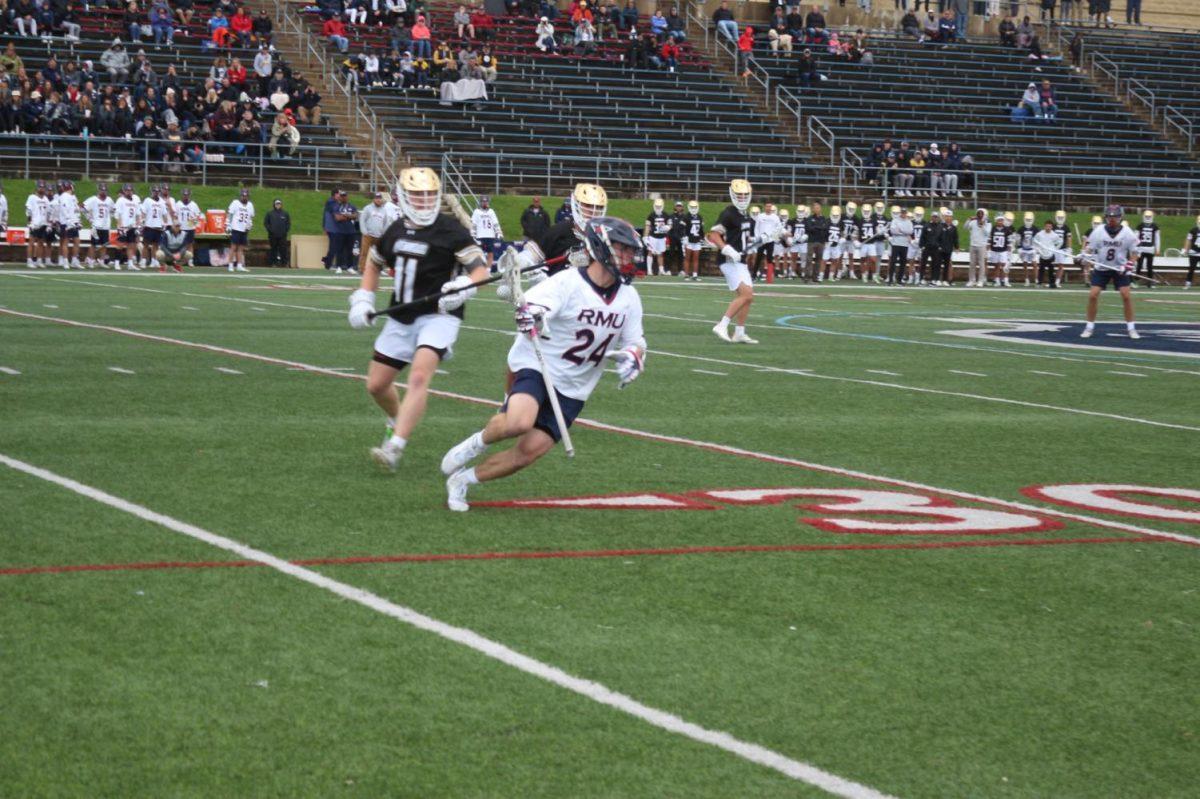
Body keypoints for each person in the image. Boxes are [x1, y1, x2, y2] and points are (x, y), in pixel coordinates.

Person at [441, 216, 646, 511]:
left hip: (576, 386)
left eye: (630, 251)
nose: (628, 257)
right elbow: (532, 306)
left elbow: (636, 341)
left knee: (528, 453)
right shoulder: (568, 282)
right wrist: (533, 316)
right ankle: (476, 443)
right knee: (519, 421)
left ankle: (462, 481)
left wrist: (634, 357)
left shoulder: (629, 298)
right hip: (540, 364)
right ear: (601, 247)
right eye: (622, 249)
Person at [346, 167, 488, 471]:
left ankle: (395, 446)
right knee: (376, 385)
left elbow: (480, 270)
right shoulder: (394, 230)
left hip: (440, 315)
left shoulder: (451, 230)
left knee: (420, 376)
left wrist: (463, 288)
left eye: (429, 195)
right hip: (401, 316)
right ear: (404, 197)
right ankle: (396, 419)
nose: (424, 201)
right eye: (417, 195)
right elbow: (374, 265)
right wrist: (363, 299)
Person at [709, 179, 758, 343]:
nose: (742, 198)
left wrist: (761, 239)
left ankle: (739, 332)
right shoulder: (728, 213)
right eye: (739, 195)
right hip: (729, 260)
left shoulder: (746, 214)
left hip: (741, 261)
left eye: (745, 195)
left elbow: (745, 237)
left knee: (748, 297)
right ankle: (722, 325)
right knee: (746, 294)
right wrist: (726, 249)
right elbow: (714, 235)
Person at [1081, 205, 1139, 339]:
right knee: (1093, 295)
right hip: (1102, 268)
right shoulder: (1099, 231)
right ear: (1106, 217)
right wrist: (1085, 255)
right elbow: (1090, 248)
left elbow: (1135, 252)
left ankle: (1131, 328)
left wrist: (1129, 264)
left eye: (1115, 216)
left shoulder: (1127, 232)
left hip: (1120, 268)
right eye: (1110, 216)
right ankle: (1089, 327)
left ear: (1120, 217)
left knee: (1126, 295)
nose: (1112, 219)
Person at [83, 183, 115, 269]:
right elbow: (83, 207)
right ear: (99, 190)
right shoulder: (93, 199)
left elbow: (113, 210)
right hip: (96, 225)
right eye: (102, 190)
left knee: (104, 244)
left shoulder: (109, 200)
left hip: (105, 226)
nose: (103, 191)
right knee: (93, 244)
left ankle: (102, 261)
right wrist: (89, 219)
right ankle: (90, 260)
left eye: (105, 190)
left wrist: (110, 217)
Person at [138, 184, 168, 271]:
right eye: (155, 191)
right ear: (151, 192)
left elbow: (164, 214)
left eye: (158, 191)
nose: (156, 193)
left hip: (158, 226)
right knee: (146, 245)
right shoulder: (147, 200)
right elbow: (143, 212)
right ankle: (143, 261)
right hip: (149, 225)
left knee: (156, 245)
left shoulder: (161, 201)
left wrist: (165, 223)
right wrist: (142, 220)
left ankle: (154, 261)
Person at [471, 195, 504, 271]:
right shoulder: (476, 211)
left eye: (486, 201)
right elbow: (473, 224)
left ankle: (488, 270)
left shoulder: (491, 211)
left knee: (490, 253)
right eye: (483, 201)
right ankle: (479, 270)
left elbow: (495, 223)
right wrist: (473, 234)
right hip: (480, 235)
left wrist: (499, 232)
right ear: (480, 202)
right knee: (479, 254)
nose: (485, 203)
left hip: (490, 235)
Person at [54, 181, 82, 270]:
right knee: (65, 242)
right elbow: (64, 209)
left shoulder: (72, 197)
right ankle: (65, 261)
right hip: (66, 223)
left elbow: (76, 209)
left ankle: (74, 260)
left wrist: (78, 220)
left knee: (77, 241)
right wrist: (69, 220)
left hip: (73, 222)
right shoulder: (64, 196)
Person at [113, 184, 142, 270]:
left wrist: (138, 226)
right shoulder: (120, 200)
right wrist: (120, 227)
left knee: (131, 245)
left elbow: (137, 215)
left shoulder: (135, 201)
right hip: (124, 227)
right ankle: (117, 263)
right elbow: (118, 214)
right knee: (120, 245)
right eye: (127, 190)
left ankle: (130, 263)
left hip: (132, 226)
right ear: (124, 191)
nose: (129, 192)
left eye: (130, 190)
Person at [226, 188, 254, 273]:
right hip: (236, 228)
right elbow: (230, 214)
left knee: (241, 248)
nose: (244, 197)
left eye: (246, 196)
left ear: (248, 197)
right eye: (243, 196)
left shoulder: (250, 205)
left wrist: (250, 224)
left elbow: (250, 217)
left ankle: (239, 265)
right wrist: (228, 225)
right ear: (240, 196)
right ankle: (230, 264)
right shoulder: (235, 203)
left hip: (244, 229)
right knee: (233, 247)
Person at [24, 181, 51, 269]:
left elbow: (48, 212)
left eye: (43, 187)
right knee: (31, 242)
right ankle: (29, 260)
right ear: (37, 188)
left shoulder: (46, 199)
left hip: (43, 223)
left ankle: (38, 260)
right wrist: (30, 221)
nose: (41, 189)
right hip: (35, 223)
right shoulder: (32, 197)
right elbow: (28, 209)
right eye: (40, 187)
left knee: (41, 242)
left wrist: (48, 223)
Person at [174, 188, 201, 266]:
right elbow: (175, 216)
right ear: (182, 195)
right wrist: (177, 225)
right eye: (184, 194)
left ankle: (190, 260)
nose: (185, 196)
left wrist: (193, 223)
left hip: (190, 227)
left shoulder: (193, 204)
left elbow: (198, 214)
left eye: (187, 194)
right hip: (181, 228)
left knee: (190, 244)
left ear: (189, 195)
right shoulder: (178, 204)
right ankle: (179, 259)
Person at [643, 198, 670, 276]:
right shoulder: (651, 215)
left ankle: (661, 270)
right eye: (657, 206)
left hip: (662, 237)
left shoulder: (665, 215)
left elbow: (670, 225)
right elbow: (647, 226)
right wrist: (645, 236)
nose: (658, 208)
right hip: (653, 237)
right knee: (650, 252)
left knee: (660, 253)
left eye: (659, 206)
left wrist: (668, 227)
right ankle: (649, 270)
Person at [965, 208, 990, 287]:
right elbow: (965, 227)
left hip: (982, 246)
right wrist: (969, 219)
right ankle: (972, 280)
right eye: (978, 214)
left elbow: (987, 233)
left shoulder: (988, 223)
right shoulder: (973, 222)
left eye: (981, 214)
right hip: (973, 245)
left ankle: (980, 281)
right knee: (972, 263)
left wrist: (982, 225)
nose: (979, 215)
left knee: (981, 264)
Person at [1133, 209, 1160, 285]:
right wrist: (1135, 248)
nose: (1148, 218)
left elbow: (1157, 238)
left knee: (1149, 266)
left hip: (1150, 249)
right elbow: (1135, 237)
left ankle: (1150, 282)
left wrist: (1157, 249)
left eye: (1149, 217)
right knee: (1139, 266)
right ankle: (1136, 281)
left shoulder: (1155, 226)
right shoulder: (1140, 226)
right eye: (1146, 216)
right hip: (1141, 249)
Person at [680, 200, 704, 281]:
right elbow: (682, 229)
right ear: (689, 208)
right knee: (687, 258)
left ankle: (695, 275)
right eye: (692, 207)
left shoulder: (700, 217)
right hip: (689, 240)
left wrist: (702, 238)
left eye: (695, 207)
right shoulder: (686, 217)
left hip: (697, 240)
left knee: (696, 258)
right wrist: (684, 237)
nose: (693, 209)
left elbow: (701, 230)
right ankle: (686, 275)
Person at [1033, 220, 1061, 287]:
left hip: (1051, 255)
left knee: (1051, 270)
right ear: (1044, 226)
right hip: (1042, 255)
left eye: (1050, 226)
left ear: (1052, 227)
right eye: (1047, 226)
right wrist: (1038, 250)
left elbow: (1060, 242)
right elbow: (1035, 241)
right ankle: (1039, 283)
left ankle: (1052, 283)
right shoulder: (1039, 234)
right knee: (1041, 270)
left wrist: (1055, 249)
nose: (1048, 227)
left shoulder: (1055, 235)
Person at [265, 198, 292, 267]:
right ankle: (273, 263)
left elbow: (288, 223)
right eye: (276, 204)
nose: (278, 205)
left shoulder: (285, 214)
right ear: (274, 205)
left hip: (282, 235)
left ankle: (284, 263)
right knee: (273, 249)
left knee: (283, 249)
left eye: (279, 204)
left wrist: (285, 231)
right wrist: (270, 230)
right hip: (272, 235)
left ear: (281, 205)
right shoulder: (270, 213)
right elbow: (266, 223)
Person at [1016, 211, 1038, 286]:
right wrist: (1019, 248)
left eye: (1030, 220)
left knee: (1034, 264)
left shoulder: (1035, 229)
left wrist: (1037, 248)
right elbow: (1018, 240)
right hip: (1024, 249)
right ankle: (1026, 279)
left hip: (1032, 249)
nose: (1028, 221)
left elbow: (1038, 239)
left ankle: (1036, 279)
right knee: (1025, 264)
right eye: (1027, 220)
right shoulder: (1021, 229)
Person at [1052, 210, 1073, 288]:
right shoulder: (1053, 226)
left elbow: (1069, 238)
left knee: (1061, 265)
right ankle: (1052, 281)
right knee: (1052, 266)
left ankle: (1057, 281)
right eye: (1059, 217)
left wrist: (1069, 248)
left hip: (1062, 249)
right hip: (1053, 249)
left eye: (1062, 217)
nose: (1060, 219)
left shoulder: (1066, 227)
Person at [1183, 215, 1200, 289]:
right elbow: (1188, 240)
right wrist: (1186, 250)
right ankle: (1188, 283)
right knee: (1191, 268)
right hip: (1194, 252)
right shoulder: (1193, 230)